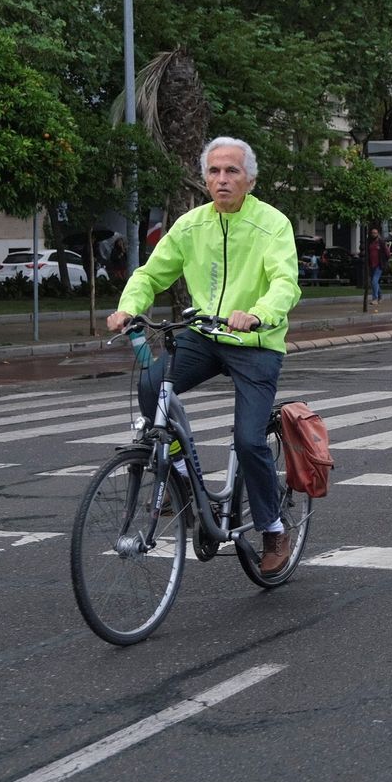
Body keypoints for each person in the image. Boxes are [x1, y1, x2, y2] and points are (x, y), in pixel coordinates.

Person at [107, 137, 302, 574]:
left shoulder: (273, 225)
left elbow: (285, 284)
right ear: (204, 179)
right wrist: (128, 308)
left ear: (250, 179)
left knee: (249, 440)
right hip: (204, 335)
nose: (222, 179)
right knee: (150, 385)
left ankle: (273, 527)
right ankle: (181, 484)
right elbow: (150, 273)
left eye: (231, 171)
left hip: (254, 342)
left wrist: (257, 314)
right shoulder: (191, 225)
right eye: (214, 172)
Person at [366, 228, 390, 311]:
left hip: (379, 265)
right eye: (372, 233)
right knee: (374, 281)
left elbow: (387, 253)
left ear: (378, 233)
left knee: (374, 281)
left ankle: (375, 299)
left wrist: (384, 261)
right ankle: (380, 297)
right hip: (372, 264)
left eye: (375, 233)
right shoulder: (369, 242)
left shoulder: (381, 242)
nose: (374, 234)